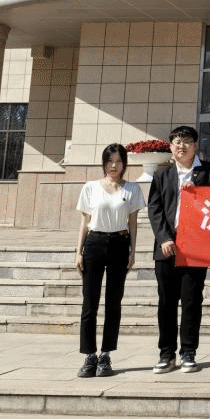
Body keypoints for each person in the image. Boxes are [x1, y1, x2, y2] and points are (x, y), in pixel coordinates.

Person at [147, 124, 210, 374]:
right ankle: (166, 354)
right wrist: (163, 238)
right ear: (171, 146)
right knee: (166, 303)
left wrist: (199, 194)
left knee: (192, 301)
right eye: (177, 142)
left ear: (195, 145)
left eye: (187, 141)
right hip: (167, 247)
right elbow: (155, 209)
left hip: (195, 248)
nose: (182, 146)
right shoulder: (162, 174)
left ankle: (188, 352)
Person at [74, 143, 145, 378]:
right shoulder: (90, 187)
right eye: (109, 161)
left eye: (118, 161)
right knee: (90, 302)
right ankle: (89, 355)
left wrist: (133, 251)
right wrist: (78, 252)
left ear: (124, 164)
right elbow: (84, 222)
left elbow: (133, 223)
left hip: (119, 244)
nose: (114, 166)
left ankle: (105, 355)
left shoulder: (132, 189)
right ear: (104, 163)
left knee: (113, 303)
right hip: (94, 244)